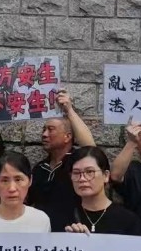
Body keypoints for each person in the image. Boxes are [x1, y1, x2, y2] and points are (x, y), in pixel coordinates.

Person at [27, 89, 96, 231]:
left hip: (72, 233)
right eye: (43, 130)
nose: (44, 134)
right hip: (41, 234)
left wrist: (69, 110)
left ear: (67, 136)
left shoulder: (77, 163)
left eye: (51, 129)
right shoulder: (39, 168)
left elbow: (92, 150)